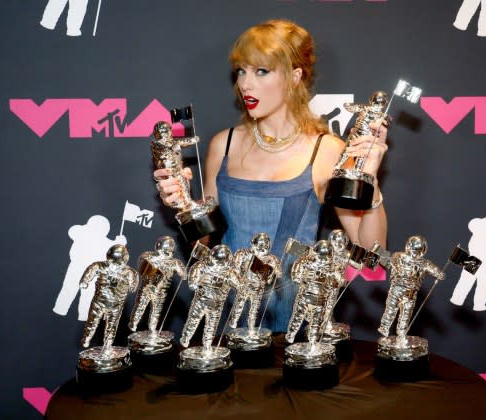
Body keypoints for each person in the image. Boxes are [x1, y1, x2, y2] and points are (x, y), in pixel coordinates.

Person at [155, 19, 388, 332]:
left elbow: (370, 253)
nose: (246, 84)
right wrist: (183, 204)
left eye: (261, 71)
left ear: (294, 77)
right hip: (227, 325)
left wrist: (370, 182)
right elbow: (204, 248)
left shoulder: (326, 149)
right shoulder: (223, 144)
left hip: (297, 327)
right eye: (242, 71)